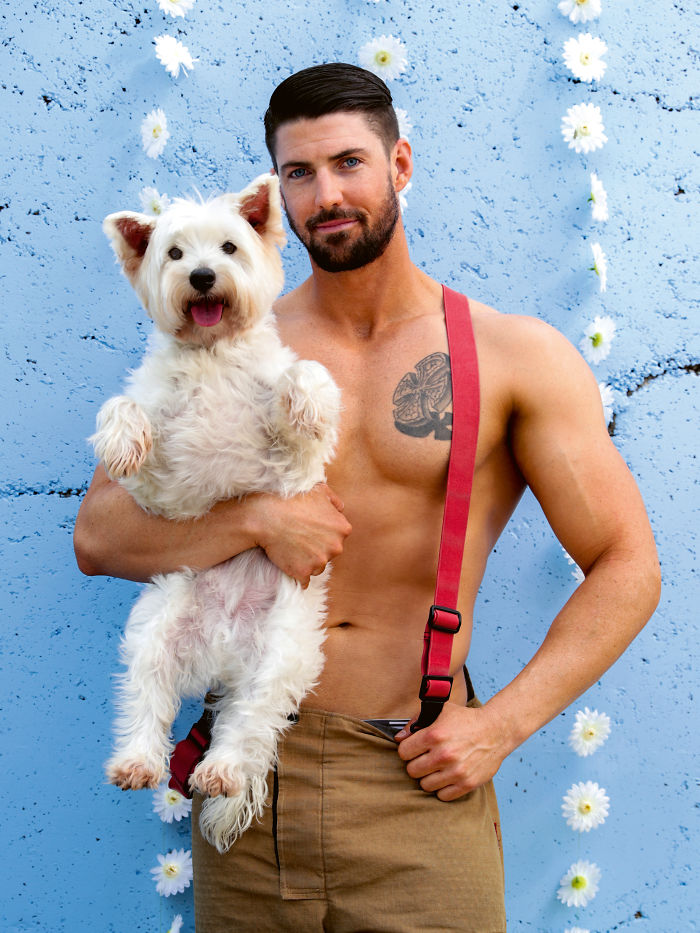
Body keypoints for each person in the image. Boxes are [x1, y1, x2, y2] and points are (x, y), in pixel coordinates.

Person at [74, 63, 661, 932]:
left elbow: (628, 564)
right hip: (248, 765)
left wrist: (500, 725)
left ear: (402, 165)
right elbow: (99, 534)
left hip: (415, 772)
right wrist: (257, 518)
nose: (326, 194)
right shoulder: (231, 342)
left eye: (349, 161)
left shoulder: (512, 354)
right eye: (299, 173)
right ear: (276, 198)